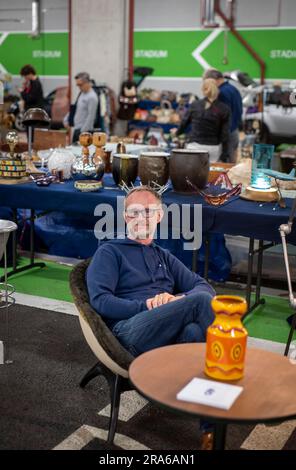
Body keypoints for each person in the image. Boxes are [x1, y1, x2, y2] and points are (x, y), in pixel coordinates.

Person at [87, 185, 216, 449]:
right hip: (129, 333)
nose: (141, 217)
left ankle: (209, 429)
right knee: (201, 304)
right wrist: (146, 305)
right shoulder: (110, 252)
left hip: (163, 331)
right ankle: (240, 372)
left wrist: (174, 301)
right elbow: (100, 301)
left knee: (193, 330)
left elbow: (204, 286)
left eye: (149, 211)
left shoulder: (163, 256)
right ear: (125, 217)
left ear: (160, 216)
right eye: (134, 212)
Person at [173, 78, 231, 163]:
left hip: (194, 147)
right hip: (213, 148)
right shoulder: (224, 109)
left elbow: (184, 123)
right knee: (210, 174)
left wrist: (176, 132)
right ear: (217, 90)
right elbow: (225, 134)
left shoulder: (195, 105)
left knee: (191, 174)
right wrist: (224, 154)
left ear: (203, 90)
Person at [203, 69, 243, 163]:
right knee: (232, 162)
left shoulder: (221, 92)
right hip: (234, 131)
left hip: (226, 133)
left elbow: (221, 116)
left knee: (225, 164)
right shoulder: (233, 89)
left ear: (214, 79)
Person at [63, 72, 99, 143]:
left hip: (84, 132)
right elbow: (76, 108)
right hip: (77, 129)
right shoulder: (82, 93)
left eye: (80, 85)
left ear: (87, 83)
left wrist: (82, 132)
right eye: (77, 85)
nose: (79, 87)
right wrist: (66, 119)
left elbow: (91, 117)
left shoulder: (92, 97)